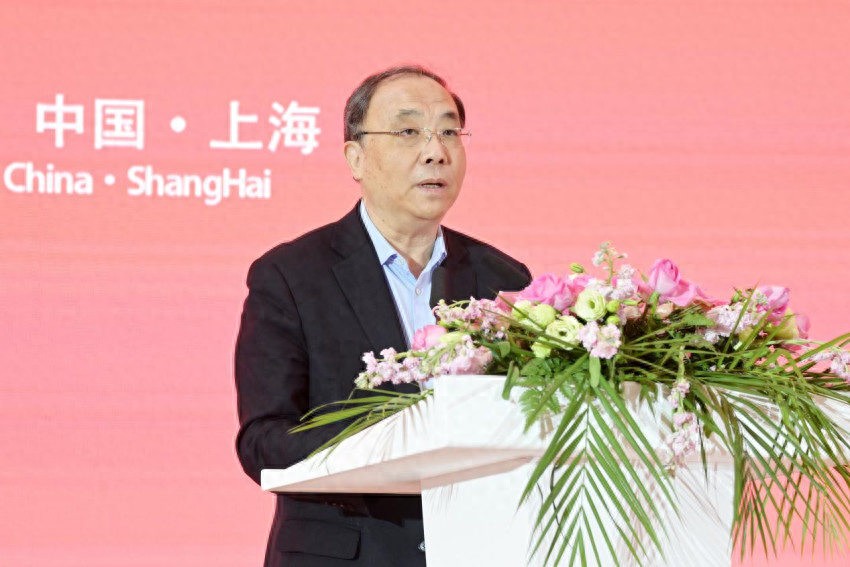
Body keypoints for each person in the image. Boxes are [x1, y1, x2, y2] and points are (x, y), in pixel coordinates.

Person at [234, 65, 531, 567]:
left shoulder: (503, 279)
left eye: (449, 132)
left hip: (474, 550)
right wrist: (401, 437)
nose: (435, 151)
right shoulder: (290, 275)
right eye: (408, 131)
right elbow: (263, 443)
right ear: (355, 157)